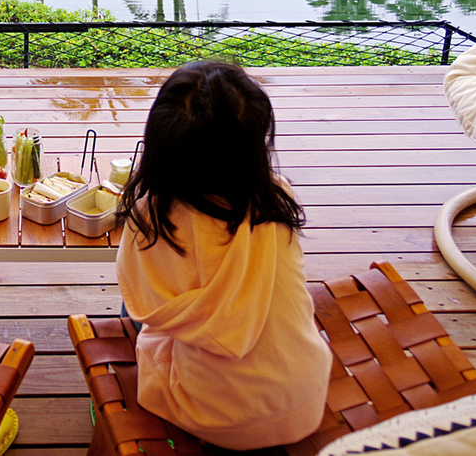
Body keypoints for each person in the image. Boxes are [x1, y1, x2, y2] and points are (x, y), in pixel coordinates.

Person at [115, 61, 330, 451]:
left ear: (161, 144)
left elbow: (142, 299)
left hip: (217, 416)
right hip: (304, 398)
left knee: (131, 305)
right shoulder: (276, 198)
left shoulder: (154, 218)